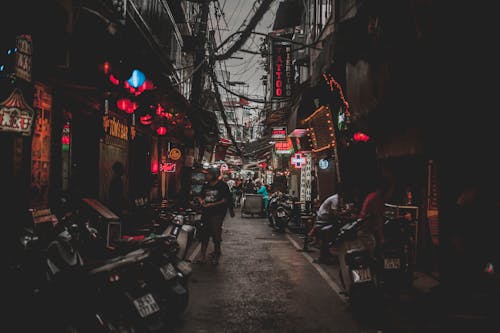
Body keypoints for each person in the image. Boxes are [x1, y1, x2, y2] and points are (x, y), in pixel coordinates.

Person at [197, 167, 232, 264]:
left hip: (217, 214)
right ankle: (202, 255)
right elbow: (200, 196)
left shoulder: (222, 186)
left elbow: (225, 200)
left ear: (214, 175)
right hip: (206, 213)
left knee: (216, 235)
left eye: (208, 174)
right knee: (204, 234)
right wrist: (201, 201)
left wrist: (211, 204)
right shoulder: (206, 185)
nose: (206, 176)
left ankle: (216, 255)